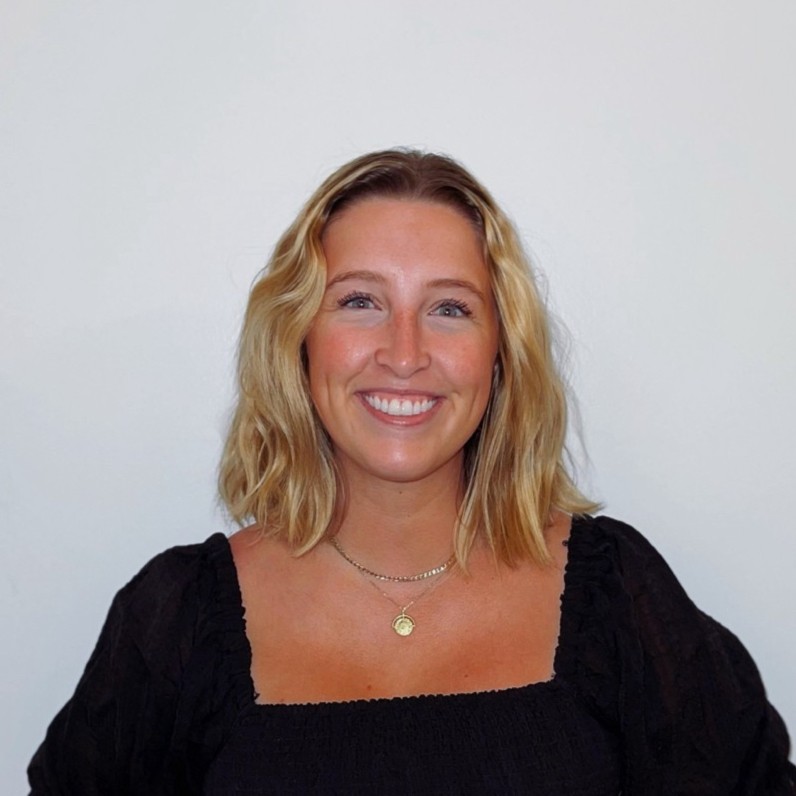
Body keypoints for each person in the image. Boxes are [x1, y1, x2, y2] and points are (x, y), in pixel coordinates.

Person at [29, 149, 795, 794]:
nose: (403, 352)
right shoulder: (175, 622)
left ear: (501, 355)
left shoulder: (618, 600)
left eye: (450, 309)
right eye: (360, 301)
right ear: (298, 339)